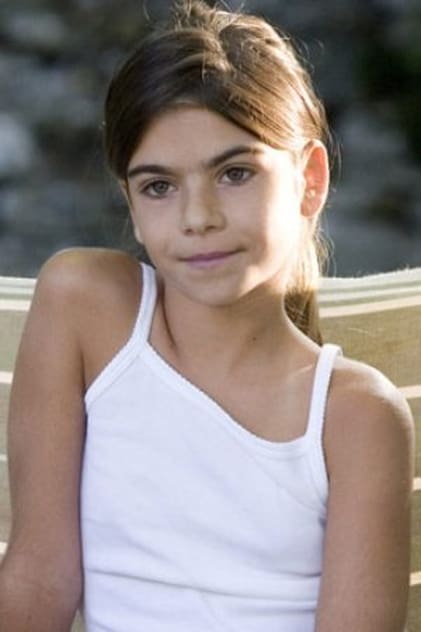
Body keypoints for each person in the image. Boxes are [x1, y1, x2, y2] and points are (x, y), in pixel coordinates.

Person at [0, 1, 415, 630]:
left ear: (309, 180)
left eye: (235, 173)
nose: (198, 217)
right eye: (159, 186)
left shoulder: (355, 415)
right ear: (131, 204)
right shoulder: (85, 306)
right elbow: (38, 579)